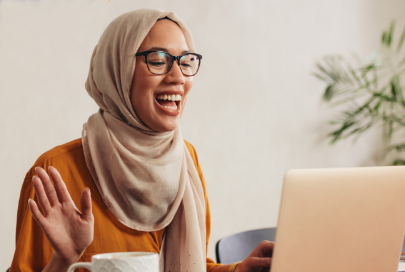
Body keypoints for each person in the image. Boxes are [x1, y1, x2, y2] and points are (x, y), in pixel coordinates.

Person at [9, 9, 273, 272]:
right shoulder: (55, 171)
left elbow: (188, 264)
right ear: (118, 69)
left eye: (186, 61)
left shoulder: (185, 158)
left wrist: (238, 270)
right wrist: (62, 261)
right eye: (158, 61)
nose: (178, 77)